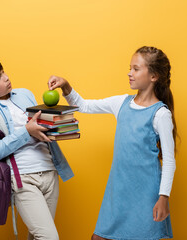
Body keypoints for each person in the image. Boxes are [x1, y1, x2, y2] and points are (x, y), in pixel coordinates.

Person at [48, 46, 177, 240]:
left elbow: (169, 160)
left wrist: (163, 196)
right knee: (99, 237)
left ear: (154, 76)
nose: (129, 73)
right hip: (118, 189)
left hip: (146, 193)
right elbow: (83, 105)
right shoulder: (121, 103)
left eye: (136, 69)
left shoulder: (161, 114)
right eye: (130, 68)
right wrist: (66, 85)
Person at [0, 57, 74, 240]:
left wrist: (58, 123)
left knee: (36, 236)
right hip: (22, 178)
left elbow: (40, 126)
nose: (6, 78)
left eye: (3, 72)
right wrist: (26, 132)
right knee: (48, 237)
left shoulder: (24, 94)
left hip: (49, 171)